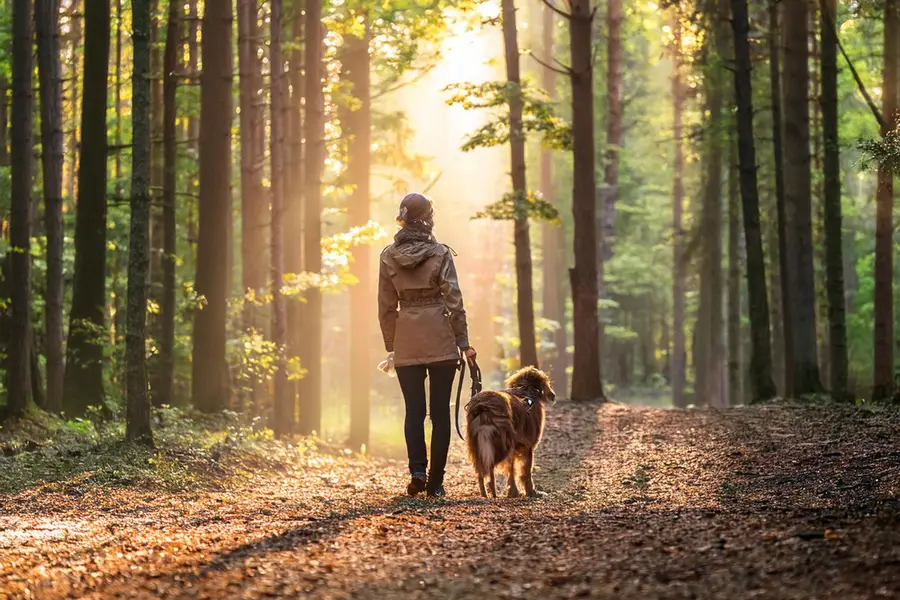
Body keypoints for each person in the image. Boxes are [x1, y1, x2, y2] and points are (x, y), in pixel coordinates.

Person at [378, 192, 477, 498]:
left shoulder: (387, 256)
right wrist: (463, 342)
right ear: (428, 218)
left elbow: (385, 306)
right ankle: (436, 482)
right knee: (440, 412)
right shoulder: (441, 253)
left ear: (403, 218)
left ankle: (417, 471)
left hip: (407, 338)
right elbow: (454, 300)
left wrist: (392, 346)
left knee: (413, 411)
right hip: (440, 338)